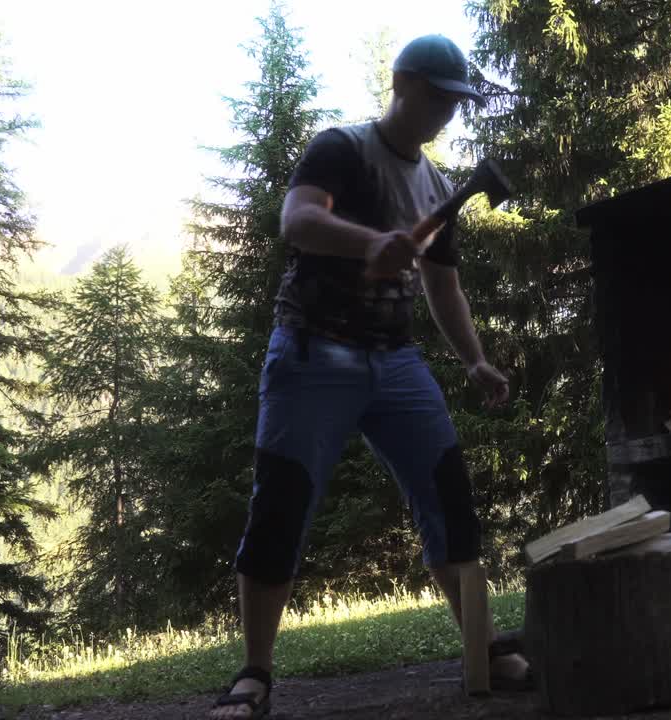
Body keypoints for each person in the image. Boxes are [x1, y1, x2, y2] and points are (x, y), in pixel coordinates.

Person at [209, 34, 529, 720]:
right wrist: (367, 241)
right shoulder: (342, 149)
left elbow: (444, 288)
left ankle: (482, 650)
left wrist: (473, 358)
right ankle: (254, 676)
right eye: (439, 97)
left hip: (396, 361)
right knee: (282, 502)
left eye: (457, 102)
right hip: (310, 351)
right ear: (403, 83)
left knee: (448, 493)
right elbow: (296, 220)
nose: (447, 112)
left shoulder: (441, 188)